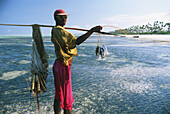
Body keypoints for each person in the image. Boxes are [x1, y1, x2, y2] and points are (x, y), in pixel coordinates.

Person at [51, 9, 102, 114]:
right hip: (63, 65)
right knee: (67, 97)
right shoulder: (60, 31)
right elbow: (77, 41)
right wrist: (92, 30)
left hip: (58, 65)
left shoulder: (56, 30)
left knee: (59, 94)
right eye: (62, 17)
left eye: (66, 17)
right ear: (56, 18)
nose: (65, 19)